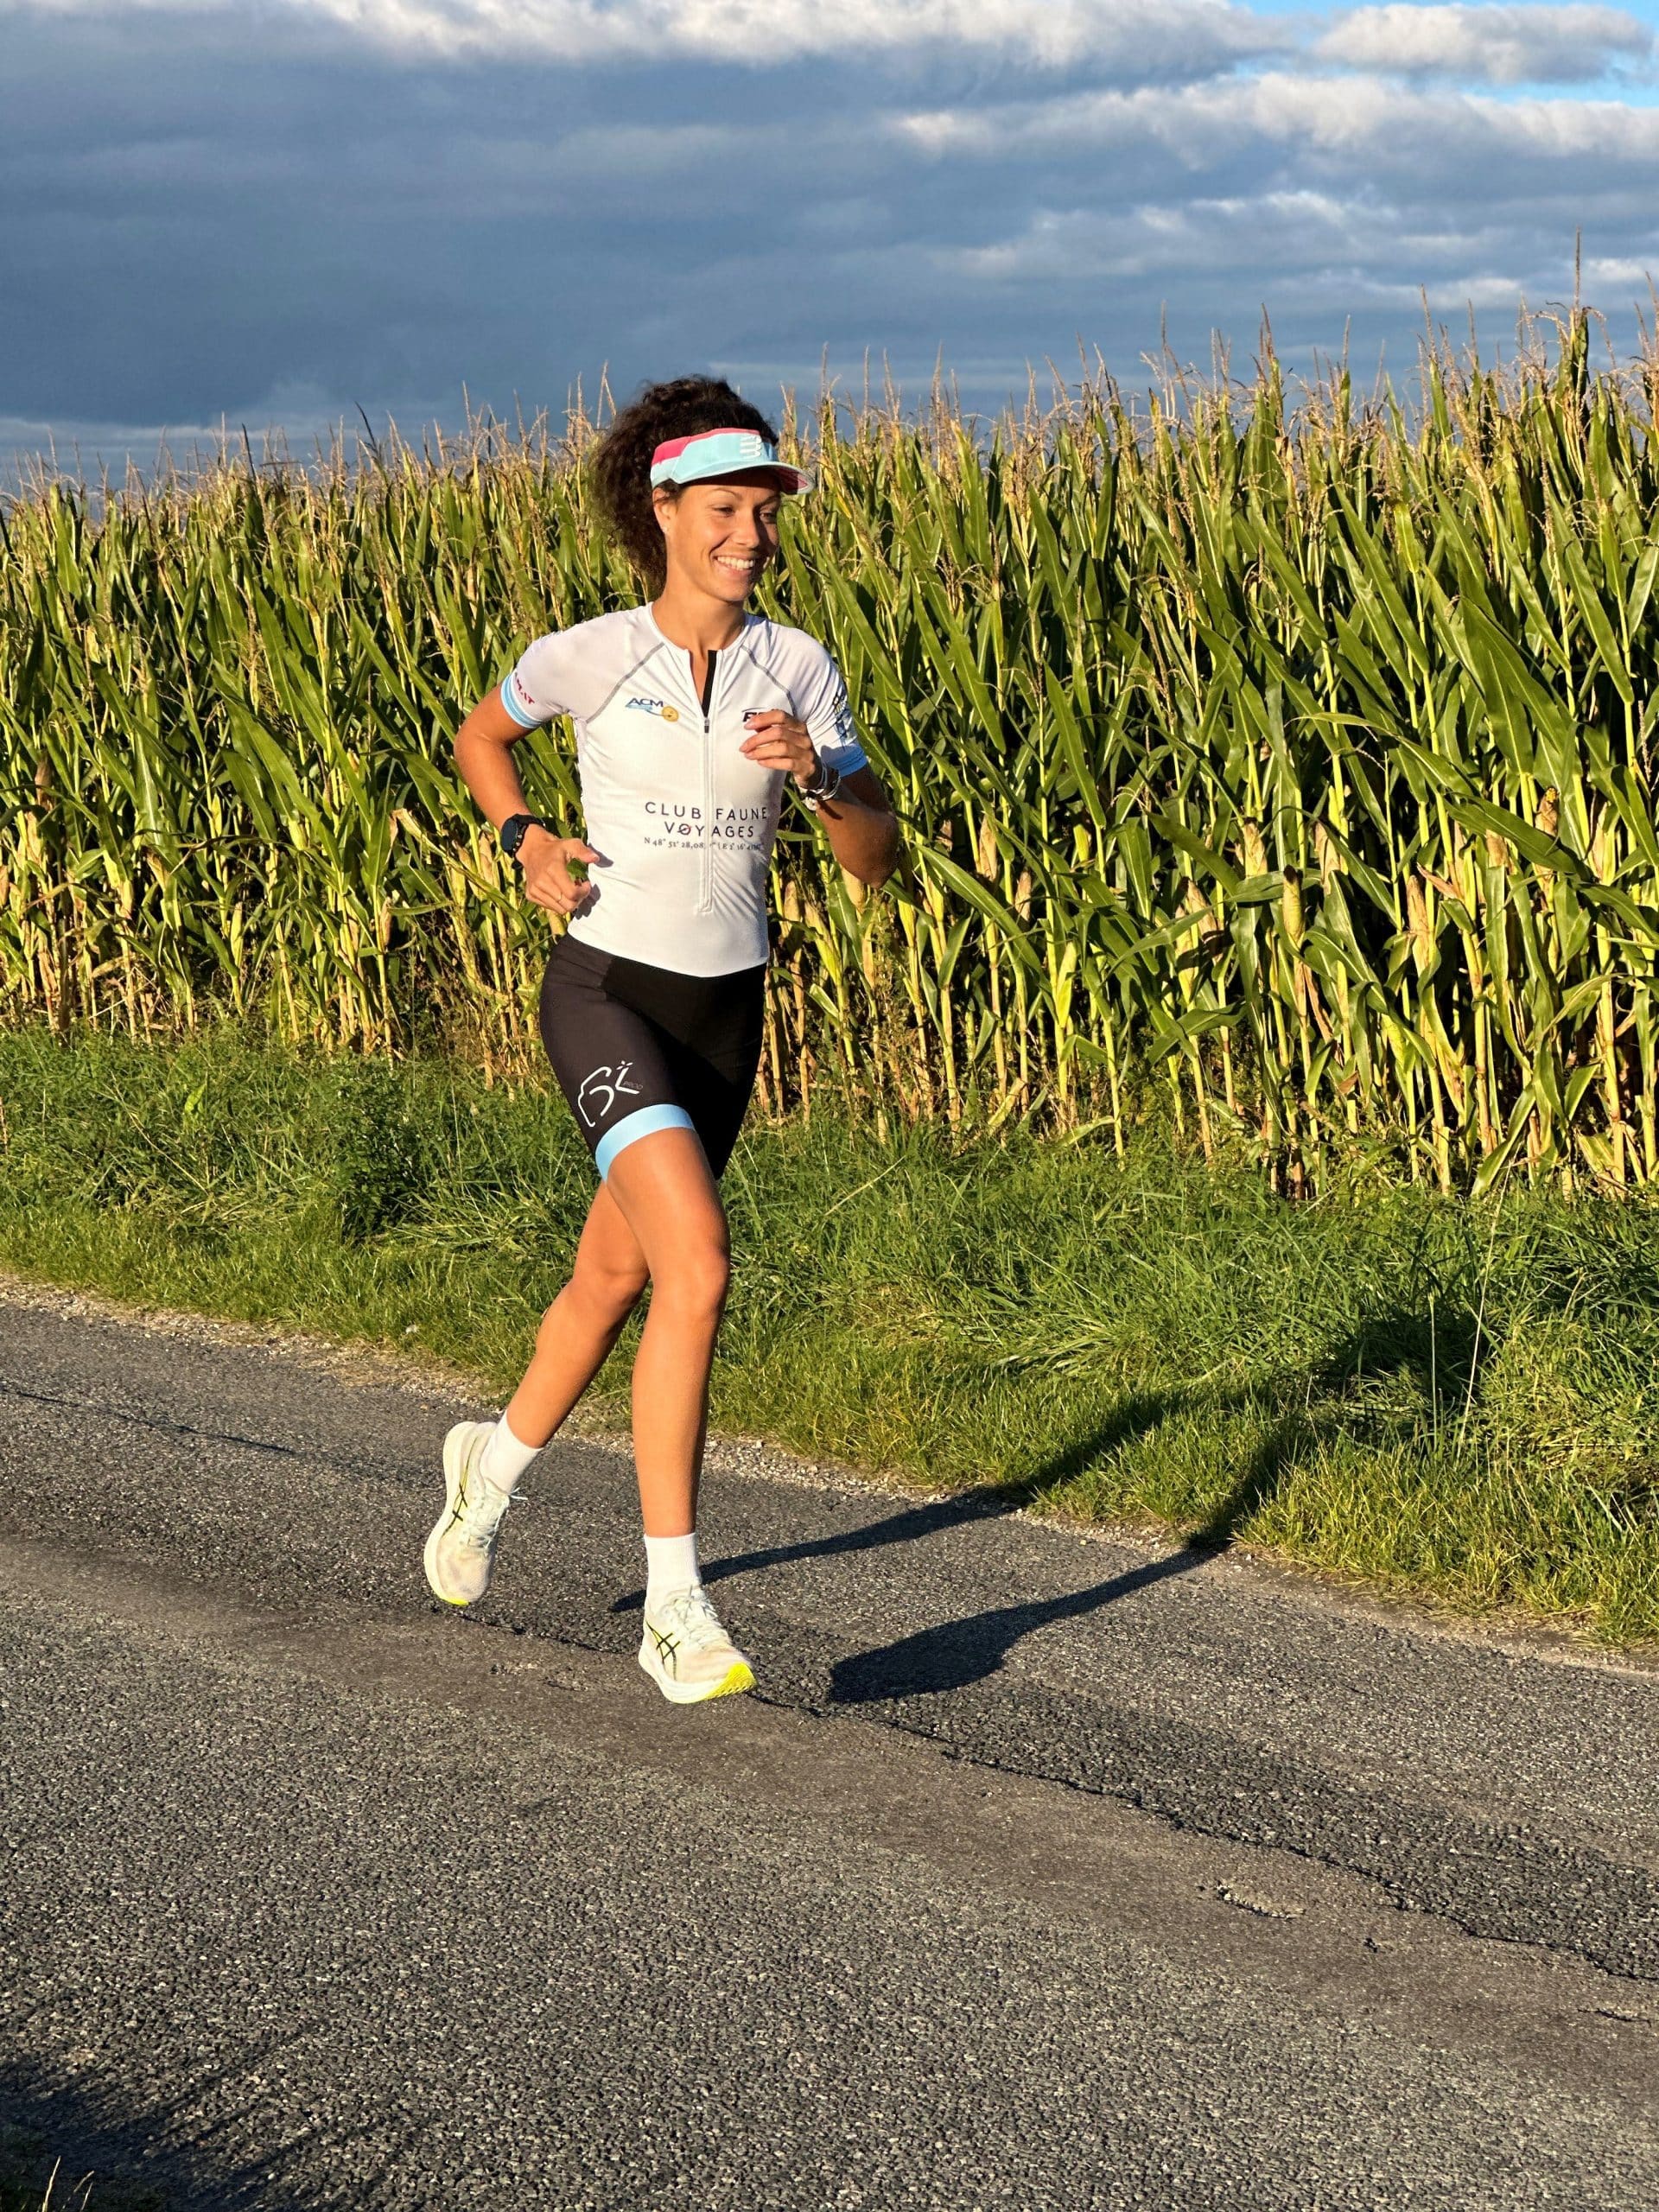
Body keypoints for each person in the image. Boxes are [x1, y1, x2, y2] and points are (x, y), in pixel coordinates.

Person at [424, 376, 899, 1703]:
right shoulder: (591, 651)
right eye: (727, 510)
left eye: (766, 511)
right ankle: (676, 1607)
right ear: (667, 510)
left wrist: (819, 775)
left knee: (613, 1281)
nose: (751, 534)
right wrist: (522, 837)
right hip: (606, 990)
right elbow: (481, 736)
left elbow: (876, 860)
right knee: (697, 1267)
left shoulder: (798, 666)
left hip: (724, 1013)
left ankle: (490, 1471)